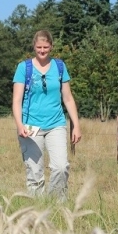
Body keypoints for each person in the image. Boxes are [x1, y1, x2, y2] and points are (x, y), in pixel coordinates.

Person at [12, 30, 81, 202]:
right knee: (35, 173)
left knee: (60, 167)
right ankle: (38, 209)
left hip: (56, 124)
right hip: (30, 126)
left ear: (51, 47)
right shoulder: (23, 68)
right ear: (34, 47)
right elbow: (16, 100)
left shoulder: (59, 66)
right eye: (39, 47)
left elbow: (68, 98)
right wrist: (19, 125)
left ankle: (56, 204)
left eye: (46, 47)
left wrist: (76, 125)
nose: (42, 51)